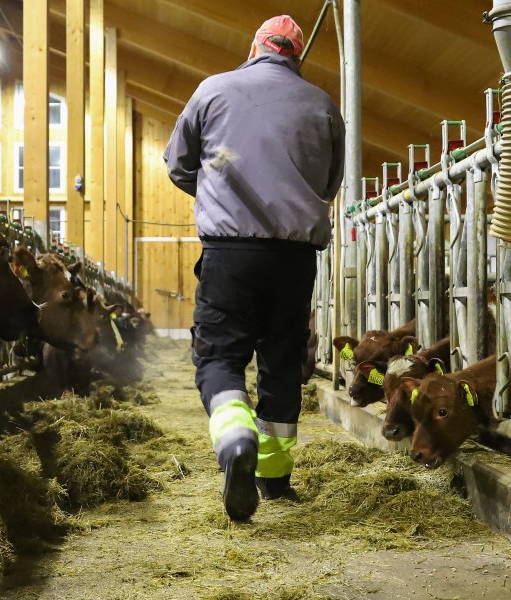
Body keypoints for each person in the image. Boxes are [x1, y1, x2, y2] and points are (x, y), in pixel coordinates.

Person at [163, 14, 345, 522]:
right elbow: (329, 184)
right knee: (282, 363)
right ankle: (275, 480)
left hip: (230, 253)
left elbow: (178, 164)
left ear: (255, 47)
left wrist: (218, 192)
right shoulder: (323, 104)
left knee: (220, 356)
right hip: (295, 258)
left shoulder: (212, 90)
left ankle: (236, 439)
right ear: (296, 55)